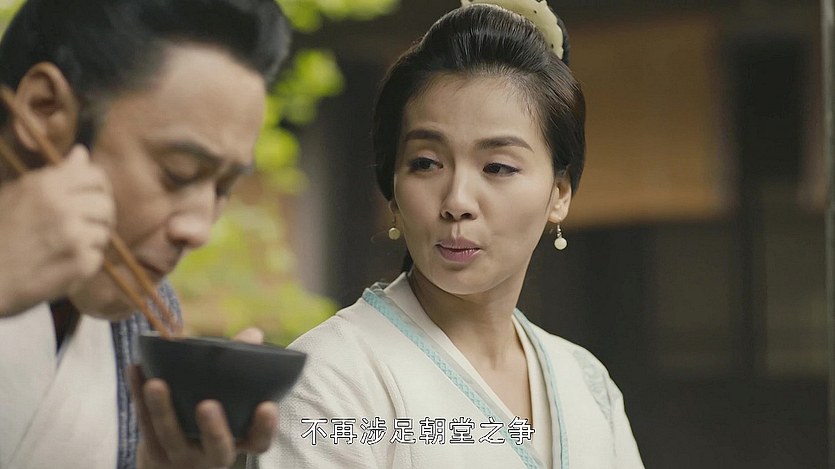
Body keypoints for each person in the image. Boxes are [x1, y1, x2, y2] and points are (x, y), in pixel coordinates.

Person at [255, 1, 645, 468]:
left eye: (497, 167)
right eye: (425, 164)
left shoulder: (586, 384)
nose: (457, 201)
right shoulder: (331, 379)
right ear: (392, 191)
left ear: (558, 193)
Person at [0, 0, 291, 467]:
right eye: (178, 172)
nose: (199, 229)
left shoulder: (141, 318)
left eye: (223, 189)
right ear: (44, 109)